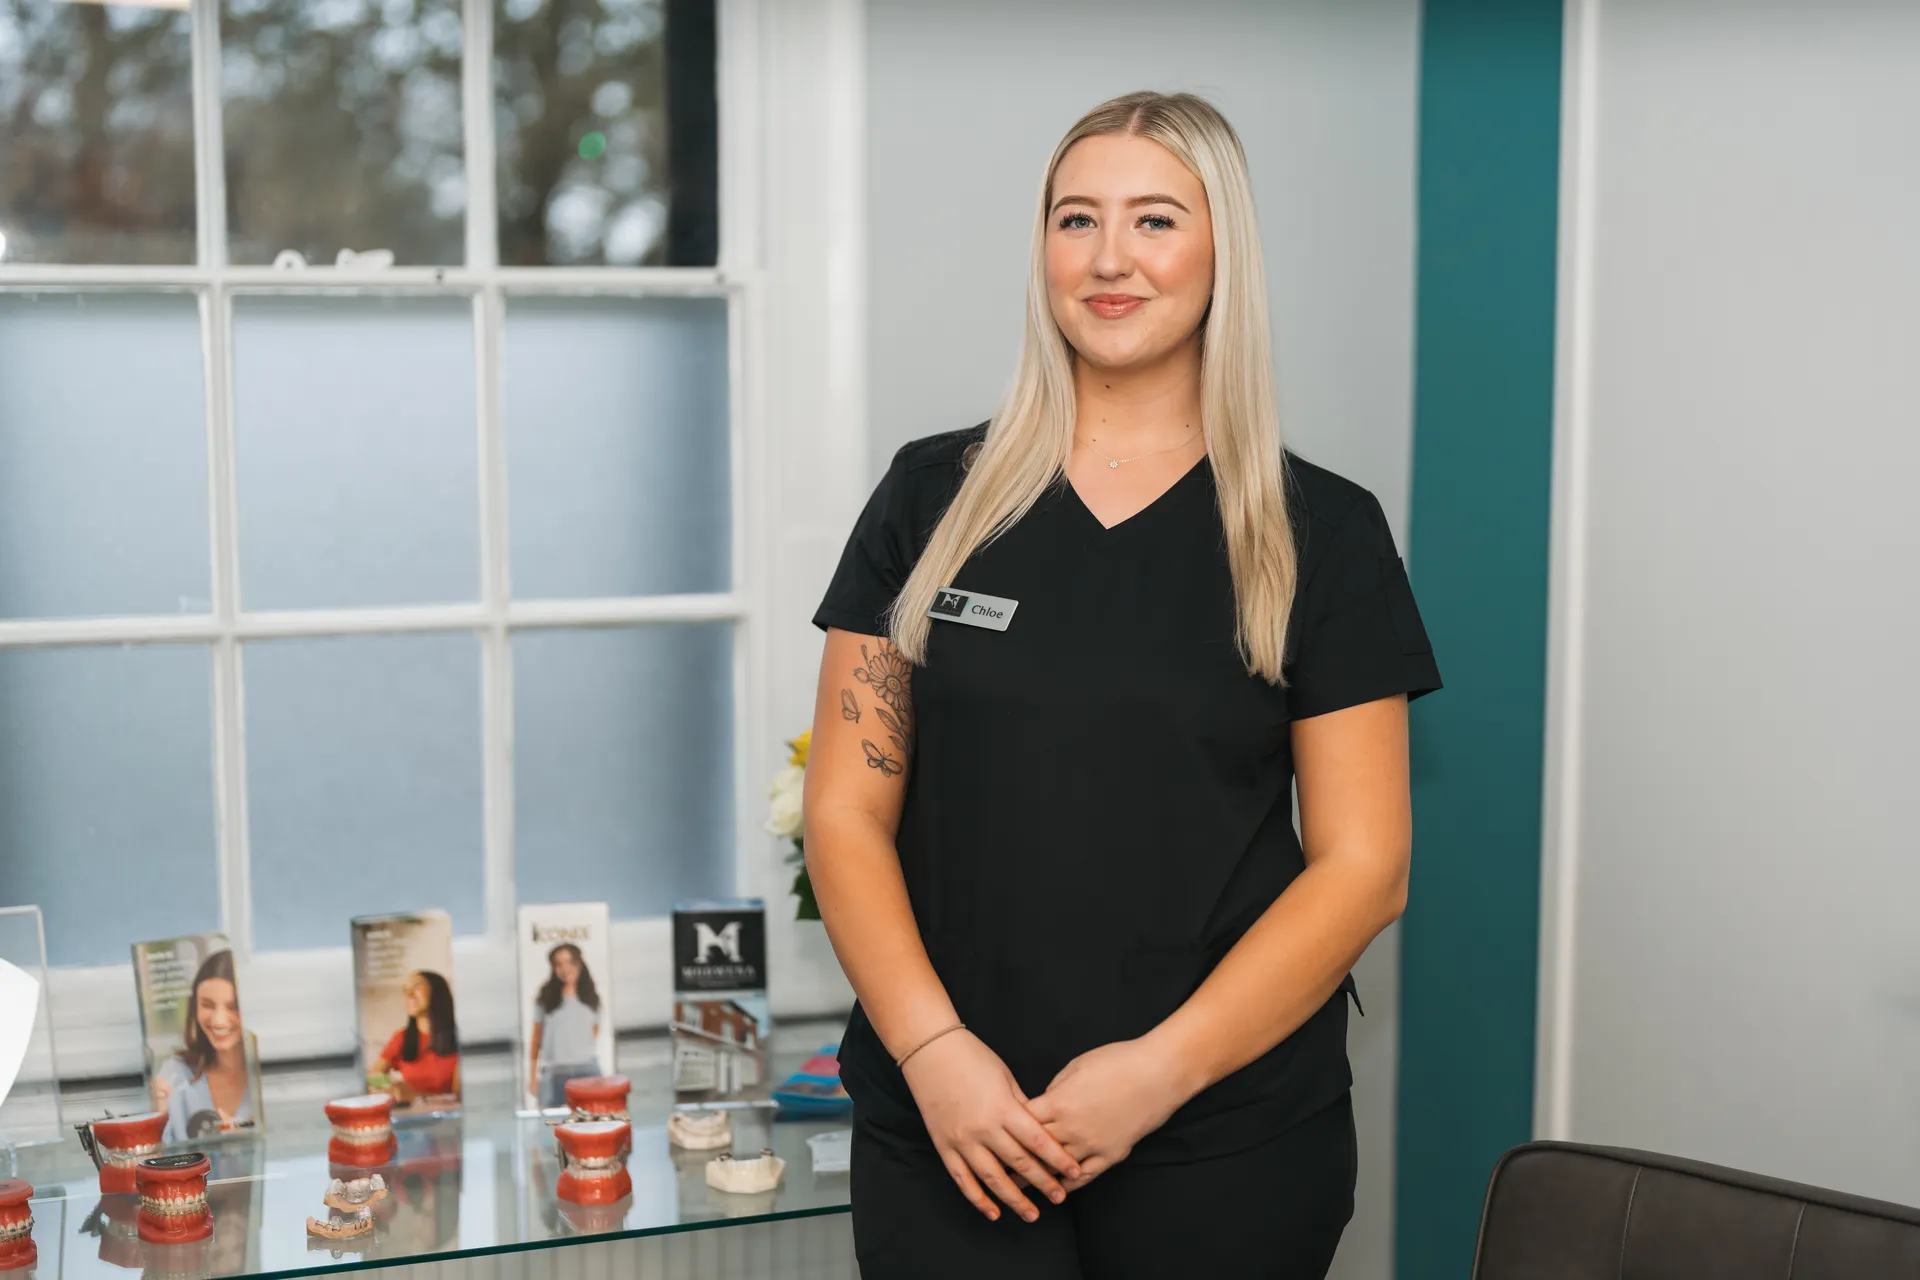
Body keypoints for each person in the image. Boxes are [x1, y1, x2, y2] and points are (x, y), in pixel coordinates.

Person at [804, 91, 1443, 1279]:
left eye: (1154, 220)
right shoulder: (928, 500)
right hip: (953, 1130)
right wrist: (935, 1052)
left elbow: (1367, 866)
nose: (1109, 259)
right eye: (1075, 219)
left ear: (1221, 251)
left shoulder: (1322, 531)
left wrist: (1159, 1071)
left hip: (1226, 1141)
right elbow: (844, 810)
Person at [152, 948, 257, 1142]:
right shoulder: (176, 1075)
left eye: (233, 1007)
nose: (218, 1021)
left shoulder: (264, 1078)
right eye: (207, 1005)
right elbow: (163, 1149)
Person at [526, 942, 606, 1107]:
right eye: (559, 964)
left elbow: (592, 1035)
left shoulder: (592, 1000)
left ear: (579, 964)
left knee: (591, 1120)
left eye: (569, 962)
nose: (565, 969)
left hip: (587, 1071)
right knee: (551, 1121)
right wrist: (532, 1077)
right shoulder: (546, 999)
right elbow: (536, 1039)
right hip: (554, 1073)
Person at [369, 970, 461, 1105]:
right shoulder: (401, 1038)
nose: (409, 994)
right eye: (405, 990)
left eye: (417, 986)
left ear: (437, 992)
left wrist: (415, 1096)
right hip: (411, 1116)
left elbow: (460, 1098)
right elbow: (373, 1073)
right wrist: (390, 1087)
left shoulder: (459, 1038)